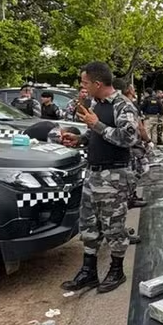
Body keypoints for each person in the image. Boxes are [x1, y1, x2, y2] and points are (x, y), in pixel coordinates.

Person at [59, 62, 139, 294]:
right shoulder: (97, 104)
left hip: (114, 176)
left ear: (97, 83)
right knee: (89, 224)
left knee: (114, 226)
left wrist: (97, 125)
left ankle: (116, 270)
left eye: (85, 83)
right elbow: (96, 133)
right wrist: (80, 139)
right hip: (93, 174)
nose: (82, 87)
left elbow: (129, 138)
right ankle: (88, 271)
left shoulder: (123, 105)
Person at [116, 79, 149, 210]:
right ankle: (130, 197)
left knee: (131, 172)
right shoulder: (128, 105)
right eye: (133, 88)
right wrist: (148, 141)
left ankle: (131, 196)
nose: (135, 90)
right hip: (133, 146)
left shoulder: (119, 104)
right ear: (129, 90)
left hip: (130, 146)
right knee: (137, 171)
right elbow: (139, 127)